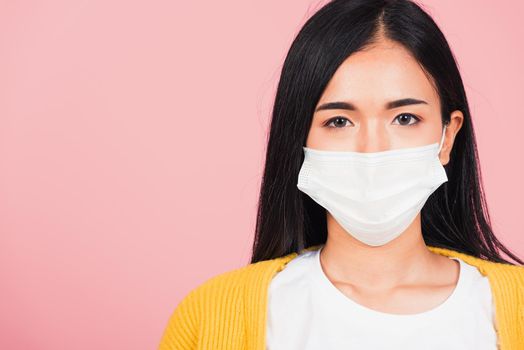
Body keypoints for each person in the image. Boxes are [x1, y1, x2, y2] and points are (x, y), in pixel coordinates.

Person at [159, 0, 524, 349]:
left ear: (448, 137)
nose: (372, 149)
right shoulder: (208, 315)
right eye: (338, 121)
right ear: (300, 139)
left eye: (405, 118)